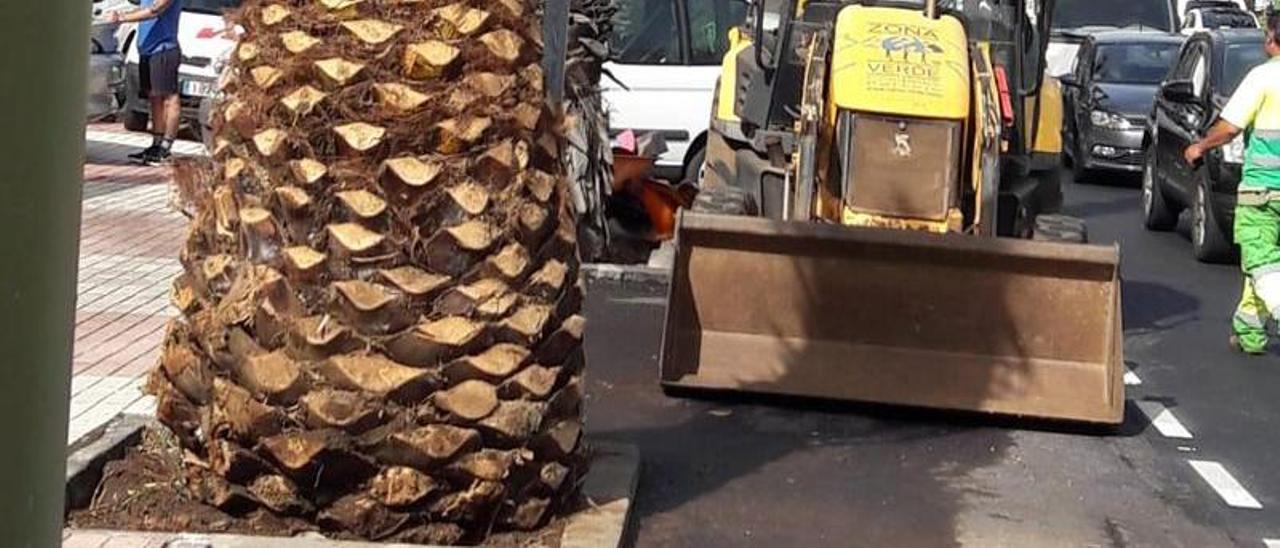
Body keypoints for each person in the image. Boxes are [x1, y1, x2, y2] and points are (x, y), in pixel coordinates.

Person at [1185, 8, 1280, 354]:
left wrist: (1200, 145)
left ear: (1271, 39)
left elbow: (1229, 128)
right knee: (1266, 264)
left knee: (1261, 259)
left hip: (1264, 192)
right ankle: (1250, 333)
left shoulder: (1263, 78)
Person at [110, 0, 182, 166]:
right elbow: (142, 7)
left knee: (169, 98)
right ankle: (156, 144)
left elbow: (155, 10)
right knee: (154, 97)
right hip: (147, 50)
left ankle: (166, 146)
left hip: (164, 49)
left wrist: (123, 17)